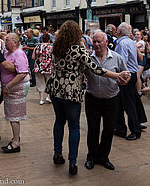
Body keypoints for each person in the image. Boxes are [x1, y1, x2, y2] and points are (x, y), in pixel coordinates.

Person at [46, 20, 129, 175]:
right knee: (74, 127)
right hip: (71, 91)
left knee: (59, 121)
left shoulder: (56, 47)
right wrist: (117, 75)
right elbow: (96, 69)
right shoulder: (78, 49)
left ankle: (57, 154)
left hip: (55, 89)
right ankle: (72, 162)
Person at [84, 31, 128, 171]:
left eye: (99, 41)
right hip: (92, 98)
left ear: (106, 42)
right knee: (93, 129)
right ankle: (92, 157)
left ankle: (104, 157)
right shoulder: (87, 59)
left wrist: (124, 80)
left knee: (108, 129)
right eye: (94, 42)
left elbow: (126, 75)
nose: (96, 44)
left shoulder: (116, 57)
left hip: (112, 99)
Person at [0, 33, 30, 153]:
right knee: (12, 114)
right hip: (10, 88)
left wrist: (8, 86)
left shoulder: (19, 54)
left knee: (14, 116)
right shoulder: (7, 53)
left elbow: (22, 73)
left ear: (14, 42)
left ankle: (16, 142)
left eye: (7, 41)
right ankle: (15, 137)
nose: (5, 42)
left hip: (16, 88)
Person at [114, 22, 143, 140]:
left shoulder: (122, 44)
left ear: (119, 32)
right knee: (121, 103)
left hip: (127, 76)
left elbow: (122, 62)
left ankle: (135, 130)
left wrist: (119, 76)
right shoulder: (131, 42)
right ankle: (121, 129)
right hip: (132, 75)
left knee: (128, 104)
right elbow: (138, 57)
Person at [32, 33, 53, 105]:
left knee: (40, 83)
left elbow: (33, 57)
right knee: (49, 82)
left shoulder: (37, 46)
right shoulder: (51, 47)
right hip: (49, 67)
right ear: (49, 40)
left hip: (38, 67)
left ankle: (41, 99)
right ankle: (48, 97)